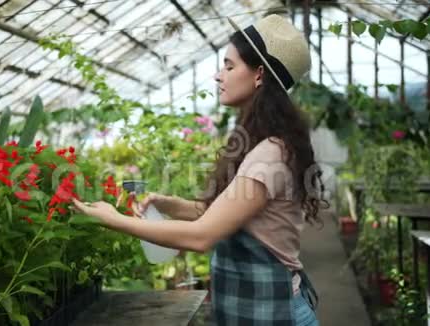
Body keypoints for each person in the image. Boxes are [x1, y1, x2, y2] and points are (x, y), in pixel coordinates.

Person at [71, 14, 328, 326]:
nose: (219, 76)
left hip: (277, 315)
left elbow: (202, 236)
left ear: (259, 75)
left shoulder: (270, 153)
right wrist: (167, 203)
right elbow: (219, 214)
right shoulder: (262, 142)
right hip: (259, 310)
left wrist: (115, 220)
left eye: (229, 66)